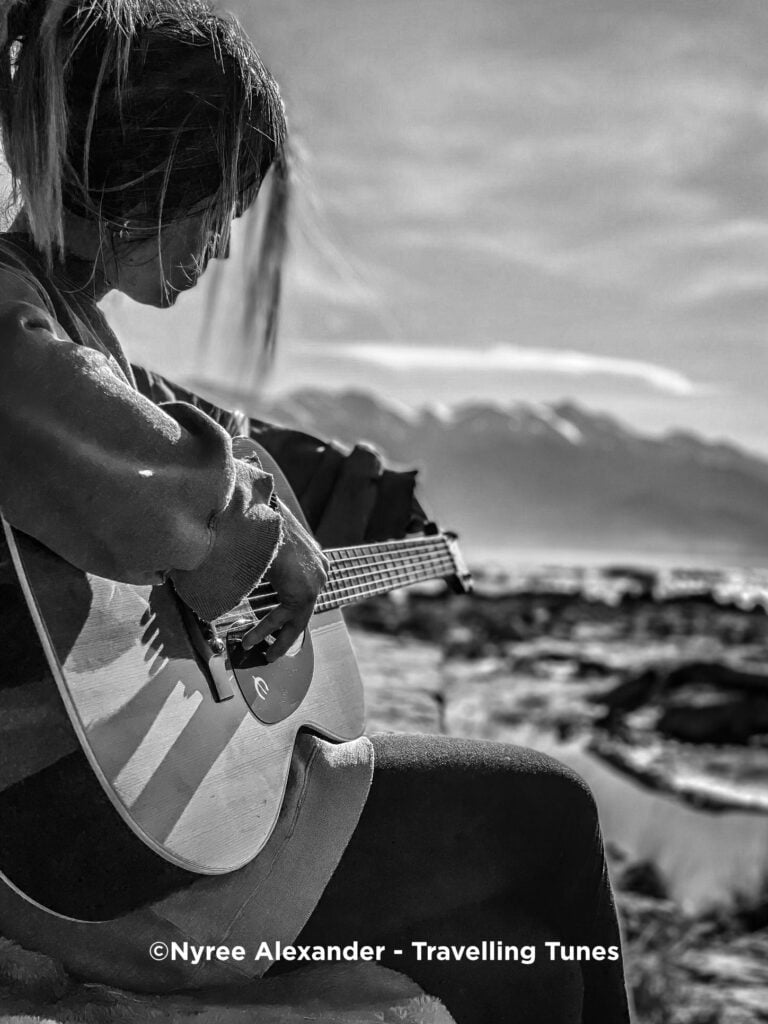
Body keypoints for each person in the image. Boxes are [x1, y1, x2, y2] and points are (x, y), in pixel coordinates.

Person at [0, 1, 631, 1020]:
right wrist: (259, 543)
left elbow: (189, 431)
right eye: (219, 207)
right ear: (156, 173)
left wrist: (338, 499)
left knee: (512, 956)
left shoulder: (70, 327)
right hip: (91, 866)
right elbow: (162, 481)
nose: (220, 247)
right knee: (549, 813)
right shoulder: (15, 321)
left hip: (121, 828)